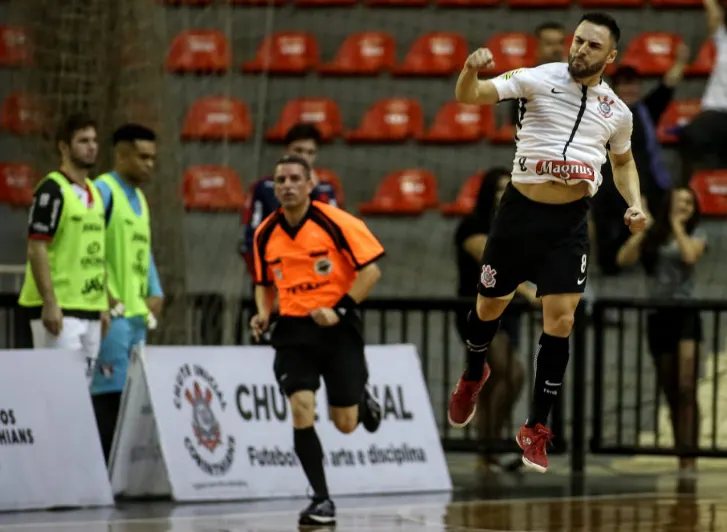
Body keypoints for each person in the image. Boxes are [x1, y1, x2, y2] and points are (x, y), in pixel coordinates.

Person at [448, 12, 648, 474]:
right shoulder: (537, 78)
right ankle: (474, 373)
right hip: (520, 215)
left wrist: (634, 203)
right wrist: (470, 69)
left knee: (560, 320)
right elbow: (472, 96)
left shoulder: (617, 111)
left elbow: (623, 164)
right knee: (487, 310)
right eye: (578, 40)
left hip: (569, 223)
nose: (580, 49)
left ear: (610, 56)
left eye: (592, 46)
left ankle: (536, 427)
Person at [250, 154, 384, 526]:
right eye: (280, 180)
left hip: (338, 327)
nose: (287, 186)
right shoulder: (265, 233)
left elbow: (371, 272)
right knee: (301, 409)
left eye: (295, 179)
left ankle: (360, 396)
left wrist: (339, 309)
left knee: (345, 422)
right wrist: (263, 312)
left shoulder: (337, 221)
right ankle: (321, 499)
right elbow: (263, 283)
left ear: (311, 185)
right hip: (293, 330)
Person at [615, 187, 707, 473]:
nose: (685, 205)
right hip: (658, 315)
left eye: (689, 202)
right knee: (669, 388)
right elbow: (623, 259)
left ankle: (689, 455)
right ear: (668, 202)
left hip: (686, 314)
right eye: (680, 201)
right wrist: (646, 229)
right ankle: (682, 452)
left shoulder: (697, 233)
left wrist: (677, 225)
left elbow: (690, 256)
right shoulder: (653, 236)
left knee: (686, 385)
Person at [90, 124, 164, 462]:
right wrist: (101, 292)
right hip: (113, 316)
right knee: (108, 395)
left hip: (136, 316)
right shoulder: (102, 192)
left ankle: (118, 475)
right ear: (121, 155)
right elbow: (85, 246)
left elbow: (142, 249)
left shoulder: (141, 199)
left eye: (153, 158)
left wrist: (155, 290)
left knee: (131, 400)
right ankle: (100, 474)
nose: (150, 165)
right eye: (143, 157)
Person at [18, 112, 109, 384]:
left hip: (90, 309)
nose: (92, 146)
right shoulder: (51, 191)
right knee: (58, 391)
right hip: (60, 311)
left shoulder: (95, 192)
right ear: (64, 147)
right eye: (83, 141)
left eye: (94, 140)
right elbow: (37, 247)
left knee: (83, 392)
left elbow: (96, 251)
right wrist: (49, 301)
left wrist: (102, 304)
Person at [454, 167, 534, 473]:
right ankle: (490, 444)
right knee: (508, 370)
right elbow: (493, 261)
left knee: (500, 379)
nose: (506, 193)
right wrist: (530, 294)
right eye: (500, 188)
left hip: (507, 312)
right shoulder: (471, 225)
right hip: (476, 311)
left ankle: (489, 447)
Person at [593, 47, 690, 275]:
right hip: (611, 190)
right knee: (611, 257)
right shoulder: (600, 114)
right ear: (614, 89)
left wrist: (682, 61)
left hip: (648, 188)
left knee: (648, 250)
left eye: (634, 84)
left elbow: (667, 85)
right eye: (624, 84)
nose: (630, 89)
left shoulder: (646, 111)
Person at [239, 123, 339, 278]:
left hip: (314, 273)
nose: (304, 157)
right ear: (286, 151)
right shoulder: (264, 188)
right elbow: (252, 234)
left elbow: (333, 233)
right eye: (298, 150)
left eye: (310, 152)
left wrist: (314, 191)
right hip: (274, 270)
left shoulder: (325, 190)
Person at [679, 0, 727, 182]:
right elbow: (715, 16)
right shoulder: (724, 40)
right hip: (714, 112)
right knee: (693, 134)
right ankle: (688, 193)